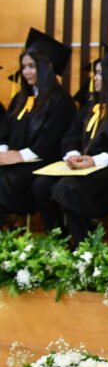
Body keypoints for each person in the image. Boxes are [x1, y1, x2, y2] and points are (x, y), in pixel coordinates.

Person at [35, 48, 108, 243]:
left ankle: (84, 246)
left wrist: (94, 161)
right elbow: (71, 136)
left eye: (100, 73)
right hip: (82, 167)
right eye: (95, 73)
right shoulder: (93, 106)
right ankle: (58, 241)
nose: (95, 78)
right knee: (42, 185)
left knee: (69, 188)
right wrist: (72, 154)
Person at [0, 29, 75, 223]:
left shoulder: (61, 101)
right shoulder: (20, 98)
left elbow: (52, 140)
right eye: (24, 67)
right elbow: (4, 129)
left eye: (32, 66)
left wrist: (20, 156)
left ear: (47, 67)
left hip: (40, 164)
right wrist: (3, 152)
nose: (26, 72)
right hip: (12, 164)